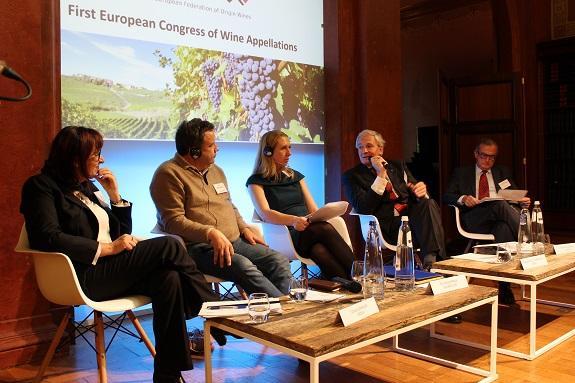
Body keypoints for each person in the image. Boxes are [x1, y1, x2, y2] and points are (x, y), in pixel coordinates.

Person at [20, 126, 228, 383]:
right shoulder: (41, 187)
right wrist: (106, 249)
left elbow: (119, 234)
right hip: (83, 275)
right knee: (170, 244)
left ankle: (167, 374)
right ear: (75, 157)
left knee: (169, 278)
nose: (102, 159)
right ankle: (214, 312)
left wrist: (115, 197)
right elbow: (46, 236)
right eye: (96, 154)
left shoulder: (86, 188)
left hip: (111, 270)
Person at [149, 118, 291, 298]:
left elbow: (229, 204)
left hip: (235, 241)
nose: (217, 148)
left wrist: (243, 227)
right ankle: (285, 312)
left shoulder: (216, 170)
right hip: (199, 247)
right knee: (243, 265)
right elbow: (172, 222)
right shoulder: (168, 174)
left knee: (278, 260)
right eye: (211, 145)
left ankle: (278, 315)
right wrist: (210, 232)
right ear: (194, 152)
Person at [246, 131, 355, 280]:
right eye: (284, 148)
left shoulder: (295, 176)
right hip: (285, 235)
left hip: (308, 229)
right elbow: (265, 213)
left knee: (319, 250)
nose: (289, 153)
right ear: (268, 151)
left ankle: (349, 284)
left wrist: (323, 214)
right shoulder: (255, 181)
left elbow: (313, 209)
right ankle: (359, 273)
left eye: (290, 147)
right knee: (323, 228)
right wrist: (294, 220)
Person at [342, 129, 447, 269]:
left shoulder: (397, 166)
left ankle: (431, 260)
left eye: (369, 146)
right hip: (387, 227)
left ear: (380, 149)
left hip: (413, 219)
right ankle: (436, 263)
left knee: (428, 202)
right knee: (428, 224)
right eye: (360, 147)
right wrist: (380, 175)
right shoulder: (352, 176)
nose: (364, 151)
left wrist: (421, 190)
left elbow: (414, 186)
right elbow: (362, 207)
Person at [443, 137, 531, 305]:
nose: (488, 160)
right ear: (476, 154)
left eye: (492, 157)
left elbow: (513, 193)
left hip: (500, 218)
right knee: (498, 202)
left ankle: (504, 288)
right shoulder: (462, 172)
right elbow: (447, 195)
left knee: (503, 228)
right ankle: (529, 239)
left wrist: (521, 200)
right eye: (484, 156)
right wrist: (463, 198)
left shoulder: (502, 172)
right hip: (475, 217)